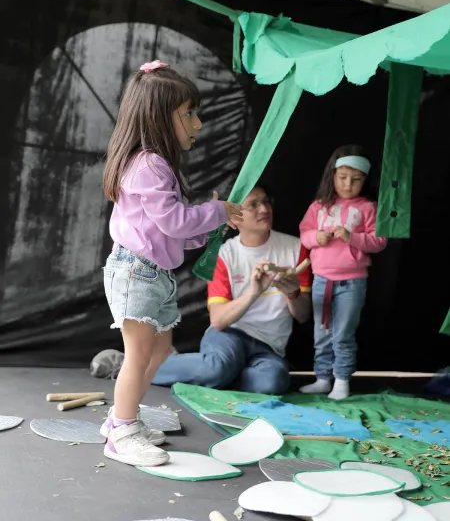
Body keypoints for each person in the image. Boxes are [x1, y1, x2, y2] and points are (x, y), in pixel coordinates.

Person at [101, 60, 243, 467]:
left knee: (160, 351)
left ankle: (120, 421)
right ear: (159, 117)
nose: (197, 124)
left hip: (154, 274)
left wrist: (211, 229)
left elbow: (173, 229)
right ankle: (122, 432)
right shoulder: (147, 165)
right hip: (136, 273)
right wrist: (215, 212)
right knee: (139, 354)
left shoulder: (156, 166)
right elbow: (176, 220)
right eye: (189, 114)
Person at [153, 185, 312, 394]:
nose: (264, 209)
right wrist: (254, 292)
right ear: (235, 219)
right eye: (253, 205)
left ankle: (219, 376)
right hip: (229, 335)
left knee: (273, 382)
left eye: (266, 201)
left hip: (269, 346)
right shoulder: (224, 255)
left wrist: (293, 293)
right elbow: (218, 321)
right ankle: (137, 366)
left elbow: (303, 316)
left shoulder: (295, 247)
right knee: (217, 366)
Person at [299, 144, 387, 400]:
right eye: (342, 178)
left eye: (356, 179)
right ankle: (322, 377)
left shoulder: (368, 208)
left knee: (343, 332)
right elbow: (304, 235)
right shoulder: (319, 206)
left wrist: (352, 237)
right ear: (333, 176)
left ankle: (342, 380)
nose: (348, 184)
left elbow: (379, 242)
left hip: (352, 282)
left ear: (365, 180)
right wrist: (317, 237)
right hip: (321, 280)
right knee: (321, 332)